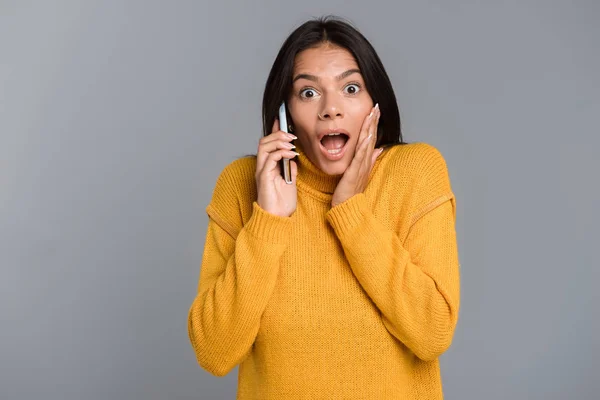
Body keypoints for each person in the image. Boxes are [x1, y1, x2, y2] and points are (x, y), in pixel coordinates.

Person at [187, 15, 460, 399]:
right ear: (284, 112)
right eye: (308, 93)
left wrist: (351, 211)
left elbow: (431, 333)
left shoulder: (415, 173)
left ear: (375, 104)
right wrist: (268, 221)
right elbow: (214, 351)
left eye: (350, 88)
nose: (330, 108)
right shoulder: (242, 184)